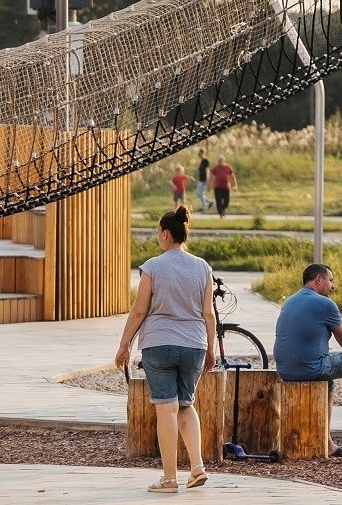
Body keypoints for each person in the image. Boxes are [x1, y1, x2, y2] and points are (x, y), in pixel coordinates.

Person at [115, 207, 215, 493]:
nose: (158, 236)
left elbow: (138, 311)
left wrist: (125, 345)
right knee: (186, 405)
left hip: (159, 344)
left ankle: (169, 479)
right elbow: (208, 313)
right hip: (194, 343)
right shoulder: (202, 267)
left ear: (166, 234)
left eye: (158, 232)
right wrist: (210, 348)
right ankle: (197, 467)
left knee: (166, 409)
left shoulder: (153, 266)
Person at [273, 263, 342, 458]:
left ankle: (326, 440)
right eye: (330, 280)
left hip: (285, 370)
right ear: (318, 279)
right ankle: (326, 441)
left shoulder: (289, 301)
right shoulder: (325, 304)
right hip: (312, 369)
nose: (333, 286)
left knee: (327, 382)